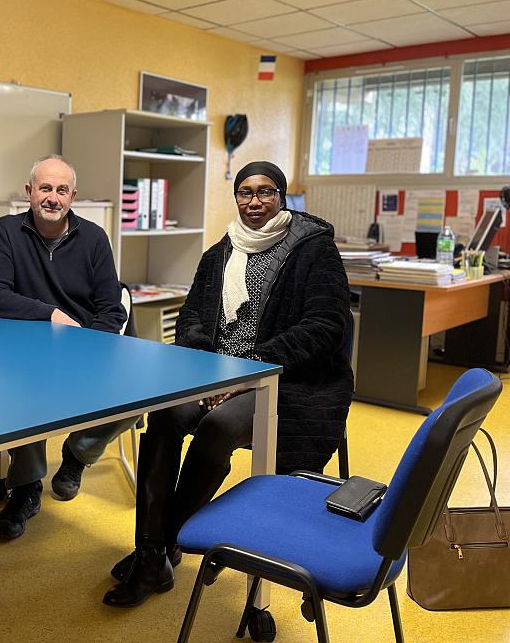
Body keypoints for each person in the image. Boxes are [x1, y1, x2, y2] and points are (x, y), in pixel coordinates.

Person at [103, 160, 353, 607]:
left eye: (265, 192)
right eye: (244, 192)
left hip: (282, 380)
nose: (253, 201)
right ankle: (150, 550)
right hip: (216, 374)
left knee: (217, 427)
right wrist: (211, 368)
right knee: (163, 416)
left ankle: (161, 547)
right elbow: (191, 319)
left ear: (281, 196)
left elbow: (325, 325)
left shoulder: (315, 250)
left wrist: (250, 368)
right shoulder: (219, 253)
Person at [0, 154, 132, 540]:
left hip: (83, 348)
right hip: (24, 353)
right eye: (45, 188)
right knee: (21, 392)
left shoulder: (95, 238)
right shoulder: (7, 231)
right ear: (29, 192)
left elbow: (111, 308)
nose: (53, 197)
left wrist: (87, 349)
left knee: (141, 392)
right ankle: (27, 487)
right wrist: (49, 313)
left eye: (61, 190)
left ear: (72, 196)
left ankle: (77, 455)